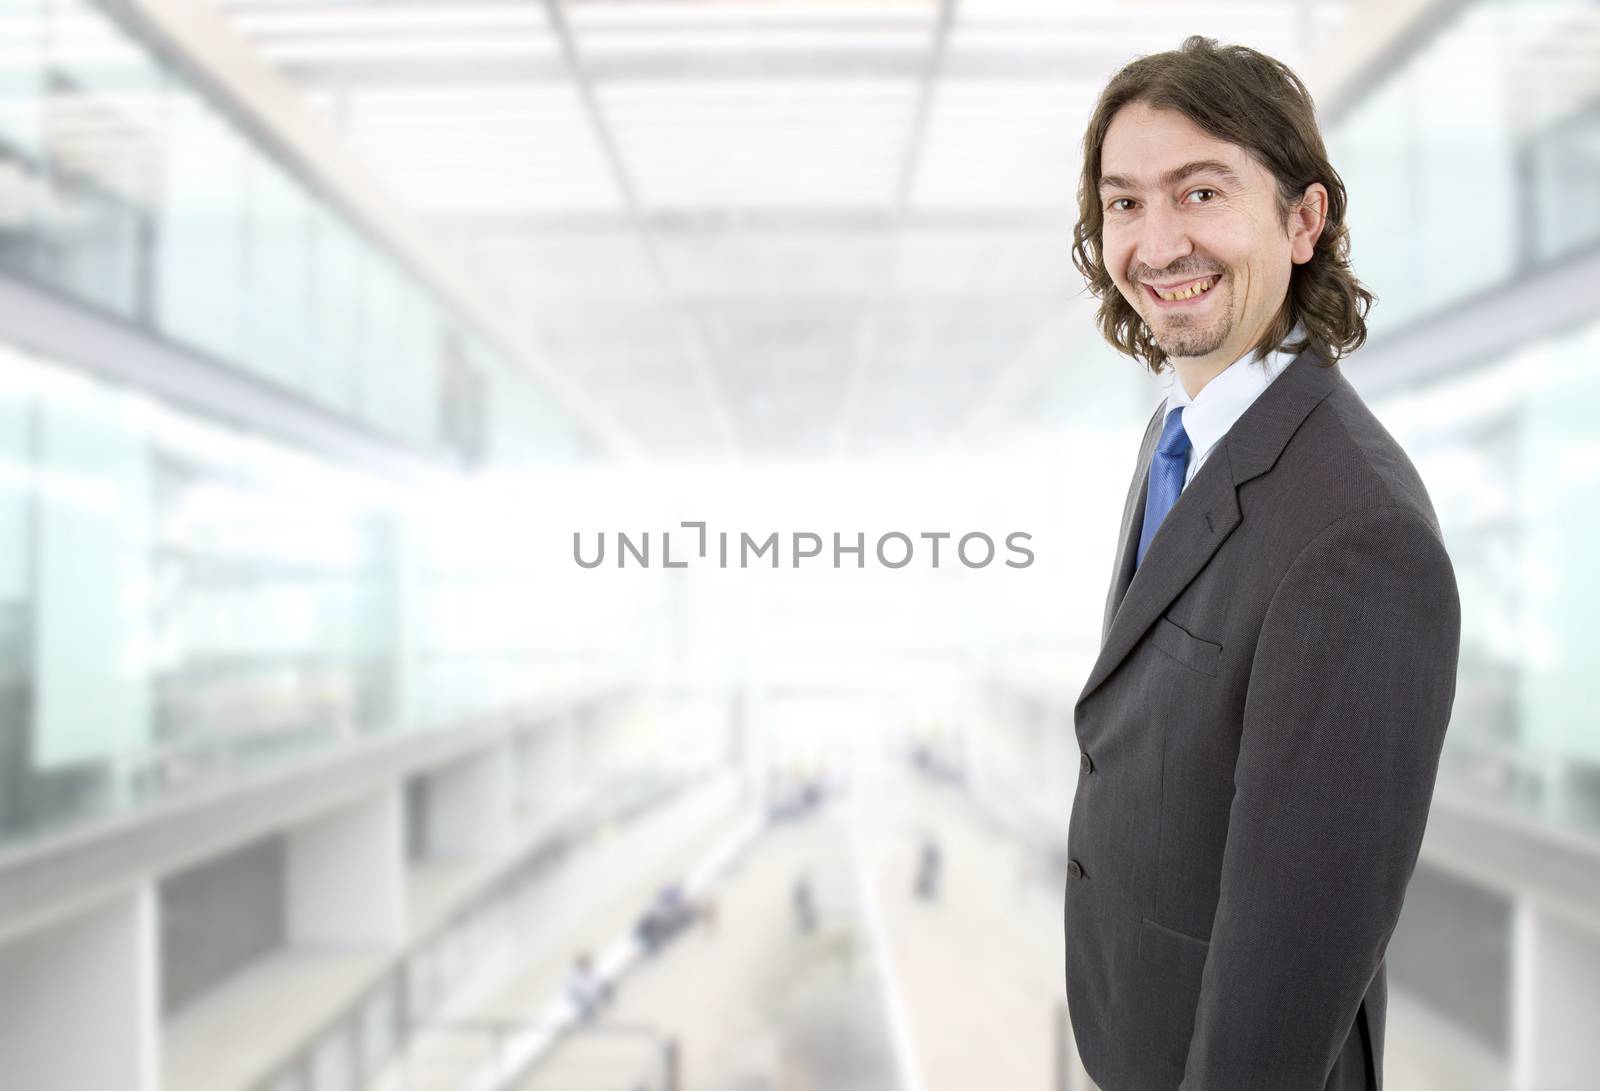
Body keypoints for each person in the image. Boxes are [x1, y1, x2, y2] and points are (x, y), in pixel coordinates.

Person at [1063, 37, 1461, 1091]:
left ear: (1302, 219)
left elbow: (1299, 940)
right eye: (1124, 203)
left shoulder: (1356, 535)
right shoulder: (1178, 435)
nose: (1157, 241)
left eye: (1200, 191)